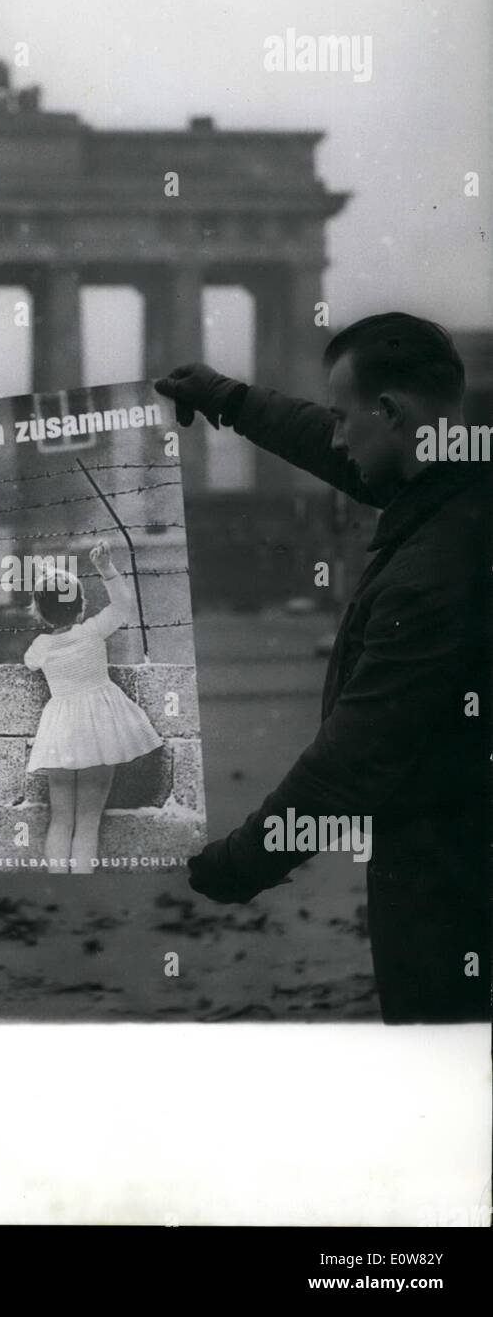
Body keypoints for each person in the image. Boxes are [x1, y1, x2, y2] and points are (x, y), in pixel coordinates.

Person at [156, 312, 490, 1023]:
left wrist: (240, 863)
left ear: (392, 413)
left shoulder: (430, 580)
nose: (336, 436)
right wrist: (231, 401)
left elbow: (353, 764)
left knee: (443, 1043)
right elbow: (346, 452)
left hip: (450, 873)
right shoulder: (460, 476)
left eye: (346, 417)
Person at [24, 541, 163, 873]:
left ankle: (58, 883)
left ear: (40, 613)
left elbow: (30, 663)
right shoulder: (92, 632)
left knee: (61, 819)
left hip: (60, 731)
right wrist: (106, 569)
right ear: (81, 608)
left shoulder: (40, 647)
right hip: (99, 728)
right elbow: (123, 605)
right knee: (88, 821)